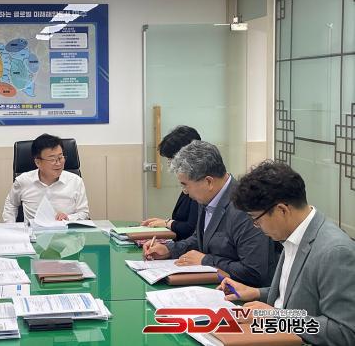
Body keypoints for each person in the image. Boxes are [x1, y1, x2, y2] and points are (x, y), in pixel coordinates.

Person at [218, 161, 355, 346]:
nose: (257, 227)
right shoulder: (294, 233)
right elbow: (295, 294)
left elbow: (343, 332)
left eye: (256, 220)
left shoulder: (335, 252)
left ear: (282, 210)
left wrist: (276, 317)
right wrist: (255, 292)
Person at [143, 140, 277, 286]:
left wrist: (205, 260)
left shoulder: (244, 207)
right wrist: (169, 249)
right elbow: (200, 240)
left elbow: (254, 272)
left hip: (243, 293)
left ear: (208, 182)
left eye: (185, 185)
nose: (185, 192)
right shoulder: (208, 197)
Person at [2, 133, 89, 223]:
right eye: (52, 159)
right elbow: (11, 204)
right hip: (33, 230)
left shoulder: (75, 181)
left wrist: (68, 218)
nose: (58, 163)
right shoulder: (23, 181)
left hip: (66, 230)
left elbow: (84, 213)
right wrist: (11, 226)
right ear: (38, 162)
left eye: (60, 157)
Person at [141, 125, 200, 240]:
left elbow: (192, 229)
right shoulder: (187, 181)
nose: (169, 163)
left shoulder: (199, 185)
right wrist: (165, 223)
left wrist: (167, 223)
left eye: (171, 158)